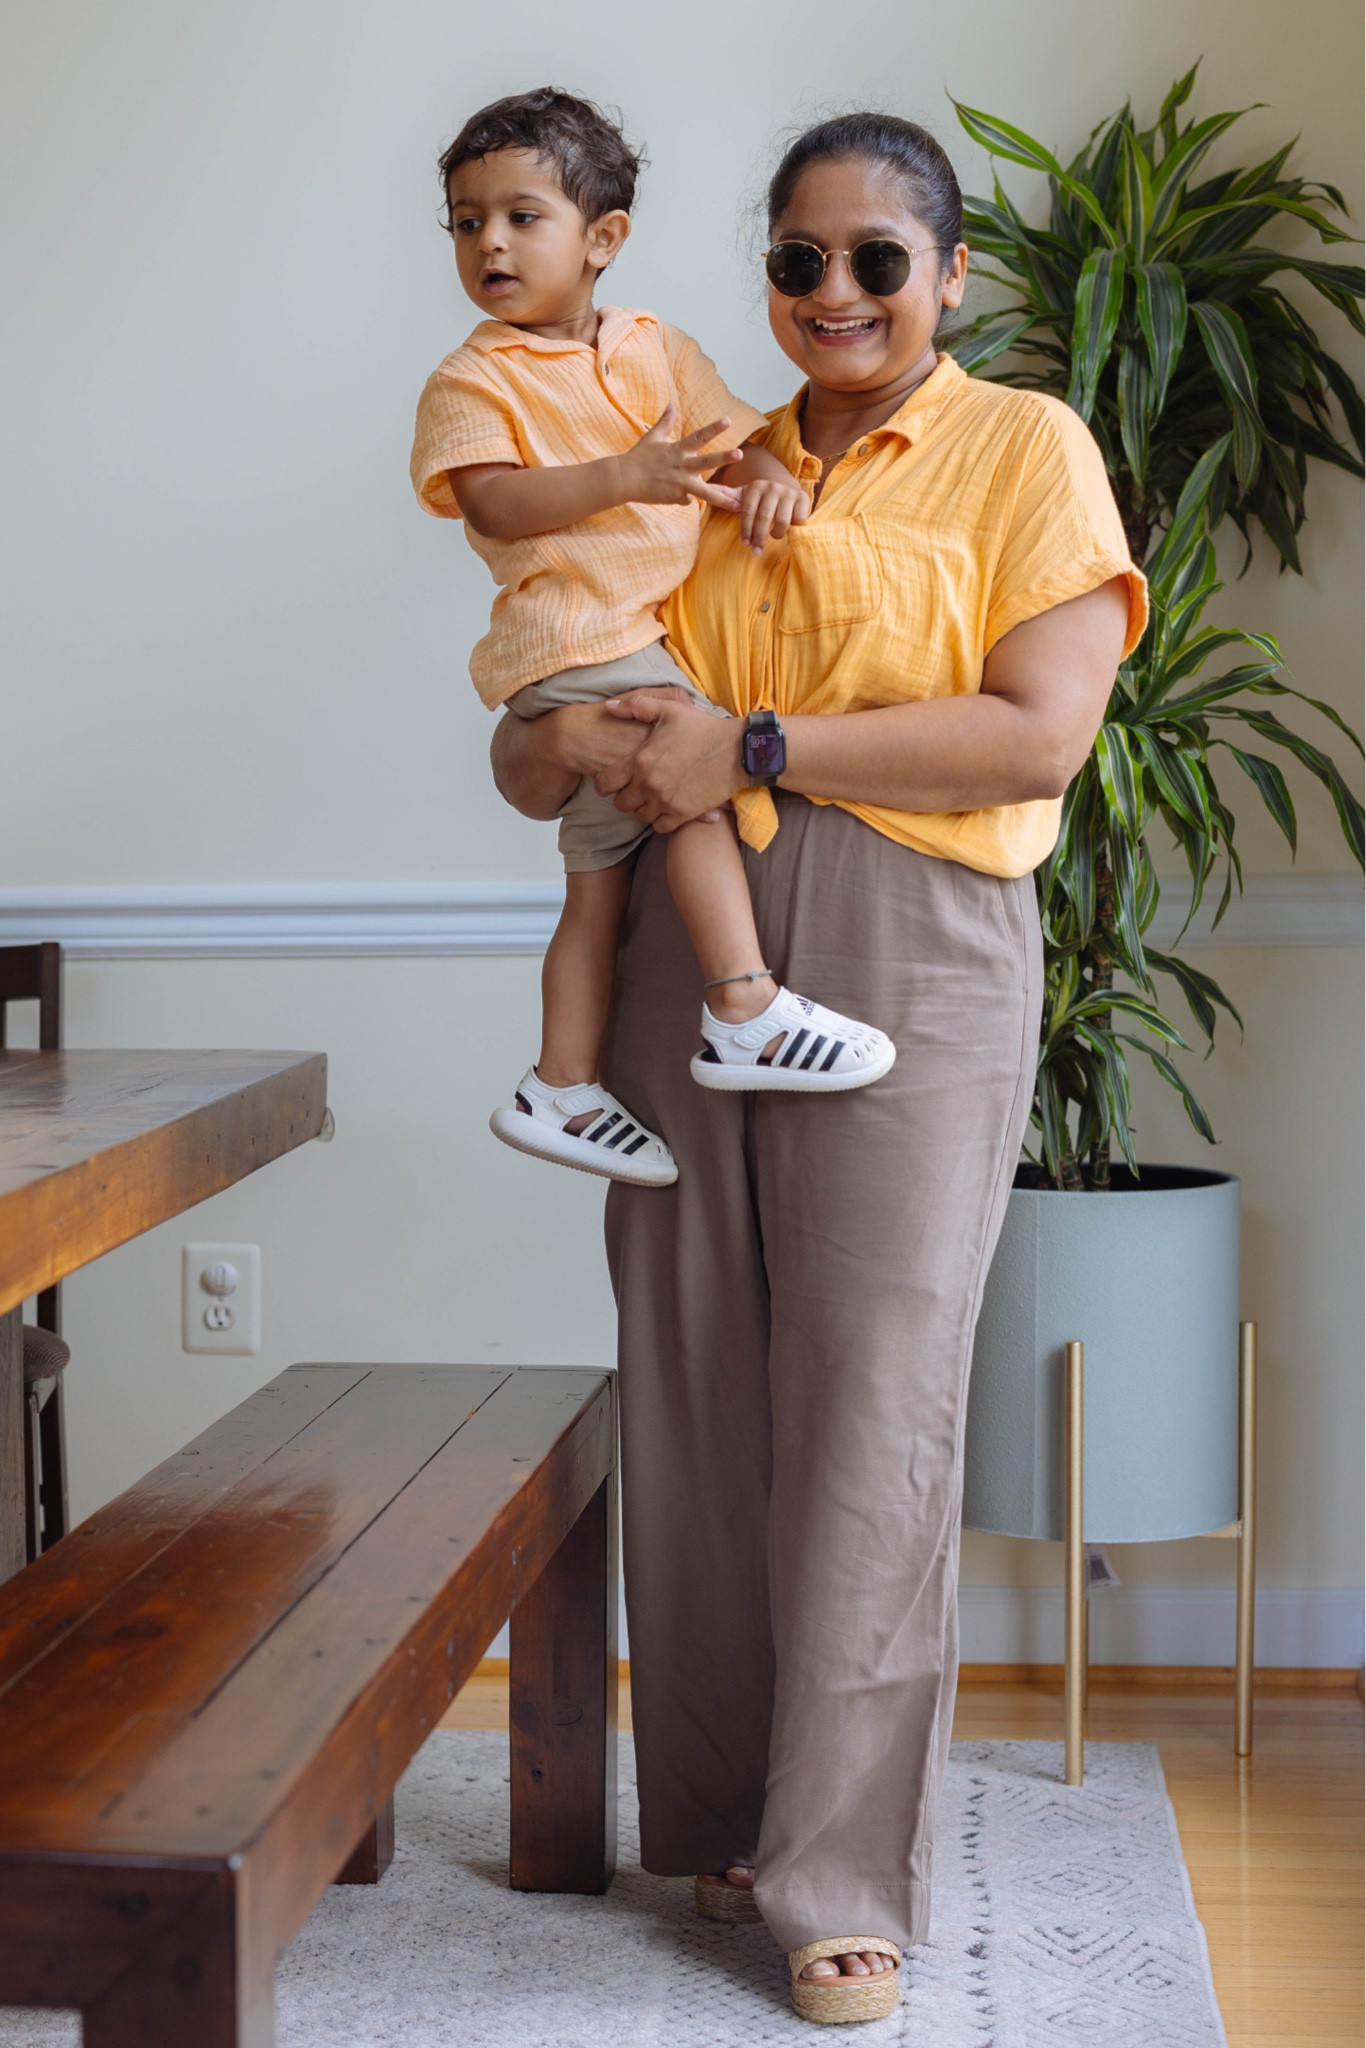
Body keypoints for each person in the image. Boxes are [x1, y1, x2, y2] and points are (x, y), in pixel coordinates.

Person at [491, 111, 1148, 2025]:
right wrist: (561, 745)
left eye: (878, 259)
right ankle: (720, 1813)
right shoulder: (699, 456)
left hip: (910, 940)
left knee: (873, 1393)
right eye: (799, 259)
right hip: (686, 949)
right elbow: (542, 719)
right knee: (693, 1371)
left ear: (951, 275)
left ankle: (840, 1874)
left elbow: (1036, 735)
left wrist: (756, 743)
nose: (836, 291)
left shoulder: (1024, 447)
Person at [411, 89, 894, 1191]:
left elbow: (729, 445)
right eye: (466, 222)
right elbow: (492, 505)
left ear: (604, 238)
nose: (489, 243)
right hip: (577, 636)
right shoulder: (471, 377)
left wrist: (767, 482)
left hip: (623, 635)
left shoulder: (654, 347)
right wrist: (623, 476)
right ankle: (745, 1007)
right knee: (693, 781)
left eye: (521, 216)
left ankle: (561, 1084)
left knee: (596, 884)